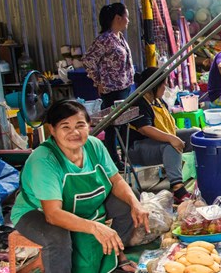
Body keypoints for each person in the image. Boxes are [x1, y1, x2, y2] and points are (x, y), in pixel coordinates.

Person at [10, 100, 150, 273]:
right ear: (52, 130)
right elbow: (52, 214)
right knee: (57, 237)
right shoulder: (44, 160)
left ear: (89, 126)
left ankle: (116, 255)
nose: (74, 132)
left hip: (82, 204)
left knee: (128, 202)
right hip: (37, 212)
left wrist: (135, 204)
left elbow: (117, 181)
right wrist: (95, 227)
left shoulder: (94, 145)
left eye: (80, 125)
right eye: (65, 127)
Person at [127, 68, 199, 204]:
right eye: (163, 85)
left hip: (157, 142)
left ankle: (203, 174)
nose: (165, 88)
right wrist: (171, 138)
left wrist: (176, 135)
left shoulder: (158, 101)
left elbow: (169, 125)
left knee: (194, 134)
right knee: (170, 145)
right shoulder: (139, 103)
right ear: (154, 86)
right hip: (138, 149)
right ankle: (178, 190)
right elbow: (145, 129)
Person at [82, 2, 134, 170]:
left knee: (123, 124)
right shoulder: (105, 39)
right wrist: (98, 81)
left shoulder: (119, 37)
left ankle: (122, 158)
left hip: (125, 87)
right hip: (112, 90)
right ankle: (114, 162)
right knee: (113, 128)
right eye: (126, 16)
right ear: (118, 18)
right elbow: (88, 60)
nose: (128, 20)